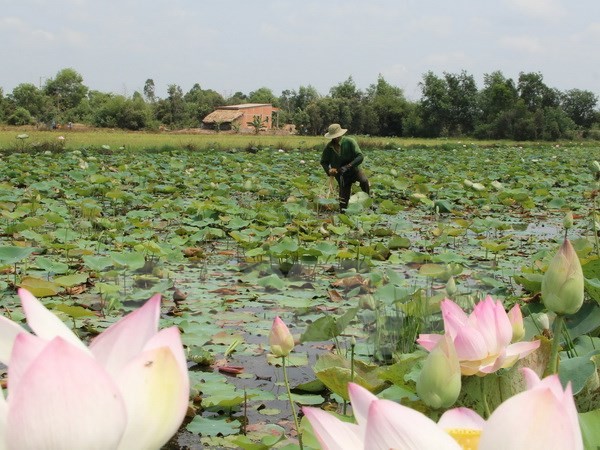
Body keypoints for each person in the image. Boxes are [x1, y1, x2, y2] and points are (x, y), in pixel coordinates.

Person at [320, 123, 370, 211]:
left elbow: (360, 156)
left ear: (341, 134)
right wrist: (329, 170)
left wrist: (348, 166)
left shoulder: (350, 142)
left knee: (364, 181)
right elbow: (324, 162)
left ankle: (368, 202)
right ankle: (343, 213)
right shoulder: (329, 148)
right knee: (343, 200)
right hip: (341, 174)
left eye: (337, 136)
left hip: (354, 170)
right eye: (333, 137)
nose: (335, 138)